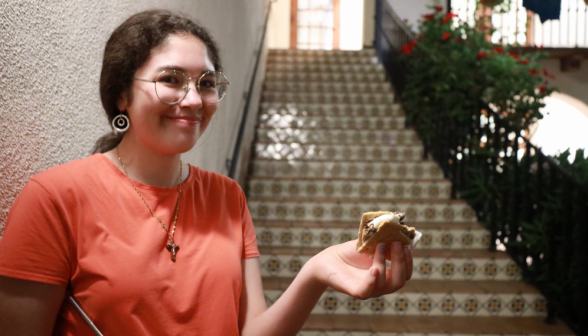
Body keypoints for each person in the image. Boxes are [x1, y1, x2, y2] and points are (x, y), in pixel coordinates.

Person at [0, 9, 413, 336]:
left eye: (207, 82)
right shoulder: (54, 198)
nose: (194, 100)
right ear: (122, 94)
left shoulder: (227, 196)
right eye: (171, 79)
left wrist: (315, 273)